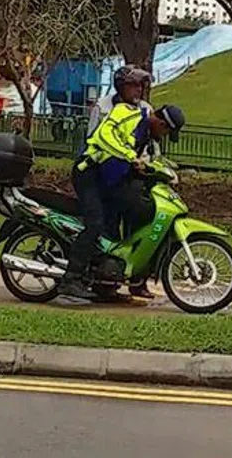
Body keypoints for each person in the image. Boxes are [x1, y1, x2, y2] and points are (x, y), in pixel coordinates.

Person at [58, 99, 186, 305]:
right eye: (165, 132)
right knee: (95, 223)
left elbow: (148, 162)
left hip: (110, 180)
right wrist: (129, 156)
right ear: (160, 123)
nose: (163, 138)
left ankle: (104, 286)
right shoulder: (127, 113)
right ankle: (70, 279)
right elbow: (104, 135)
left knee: (116, 228)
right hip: (89, 174)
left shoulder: (147, 138)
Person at [86, 66, 161, 299]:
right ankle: (105, 282)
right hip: (110, 174)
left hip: (138, 174)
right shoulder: (103, 107)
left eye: (140, 86)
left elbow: (152, 142)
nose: (138, 90)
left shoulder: (145, 109)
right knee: (109, 225)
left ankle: (138, 280)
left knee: (139, 226)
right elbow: (94, 138)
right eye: (133, 85)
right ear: (121, 86)